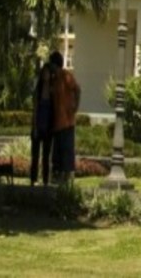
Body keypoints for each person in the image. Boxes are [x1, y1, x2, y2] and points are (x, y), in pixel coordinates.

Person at [48, 50, 81, 182]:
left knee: (67, 151)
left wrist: (75, 107)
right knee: (57, 153)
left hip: (67, 121)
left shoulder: (66, 76)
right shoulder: (53, 79)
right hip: (57, 123)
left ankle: (67, 178)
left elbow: (77, 89)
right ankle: (57, 177)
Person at [29, 61, 54, 186]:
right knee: (35, 155)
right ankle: (33, 179)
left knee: (46, 156)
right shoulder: (38, 90)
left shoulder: (52, 90)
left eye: (48, 73)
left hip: (48, 128)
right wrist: (34, 127)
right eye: (44, 73)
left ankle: (45, 180)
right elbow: (35, 109)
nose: (46, 75)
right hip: (38, 126)